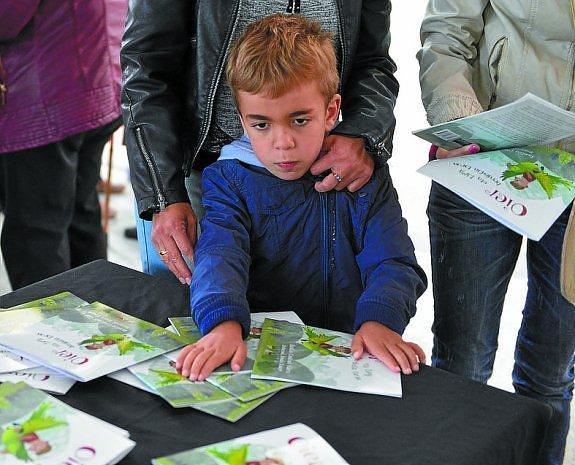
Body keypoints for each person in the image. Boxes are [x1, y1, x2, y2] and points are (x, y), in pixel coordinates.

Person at [175, 14, 427, 382]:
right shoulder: (228, 179)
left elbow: (394, 261)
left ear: (329, 111)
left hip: (350, 352)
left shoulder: (364, 178)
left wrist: (380, 319)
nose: (283, 142)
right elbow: (219, 256)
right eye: (261, 124)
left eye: (299, 120)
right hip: (256, 357)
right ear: (243, 122)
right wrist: (223, 322)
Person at [121, 0, 399, 285]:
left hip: (325, 171)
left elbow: (373, 60)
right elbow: (146, 67)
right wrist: (163, 194)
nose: (281, 141)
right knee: (196, 303)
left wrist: (363, 133)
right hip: (196, 176)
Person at [417, 2, 575, 464]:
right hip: (484, 151)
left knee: (551, 372)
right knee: (461, 363)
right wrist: (461, 122)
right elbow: (446, 33)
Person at [0, 0, 126, 290]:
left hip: (44, 93)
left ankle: (47, 331)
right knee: (79, 217)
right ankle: (91, 327)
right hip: (90, 79)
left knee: (37, 232)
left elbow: (7, 16)